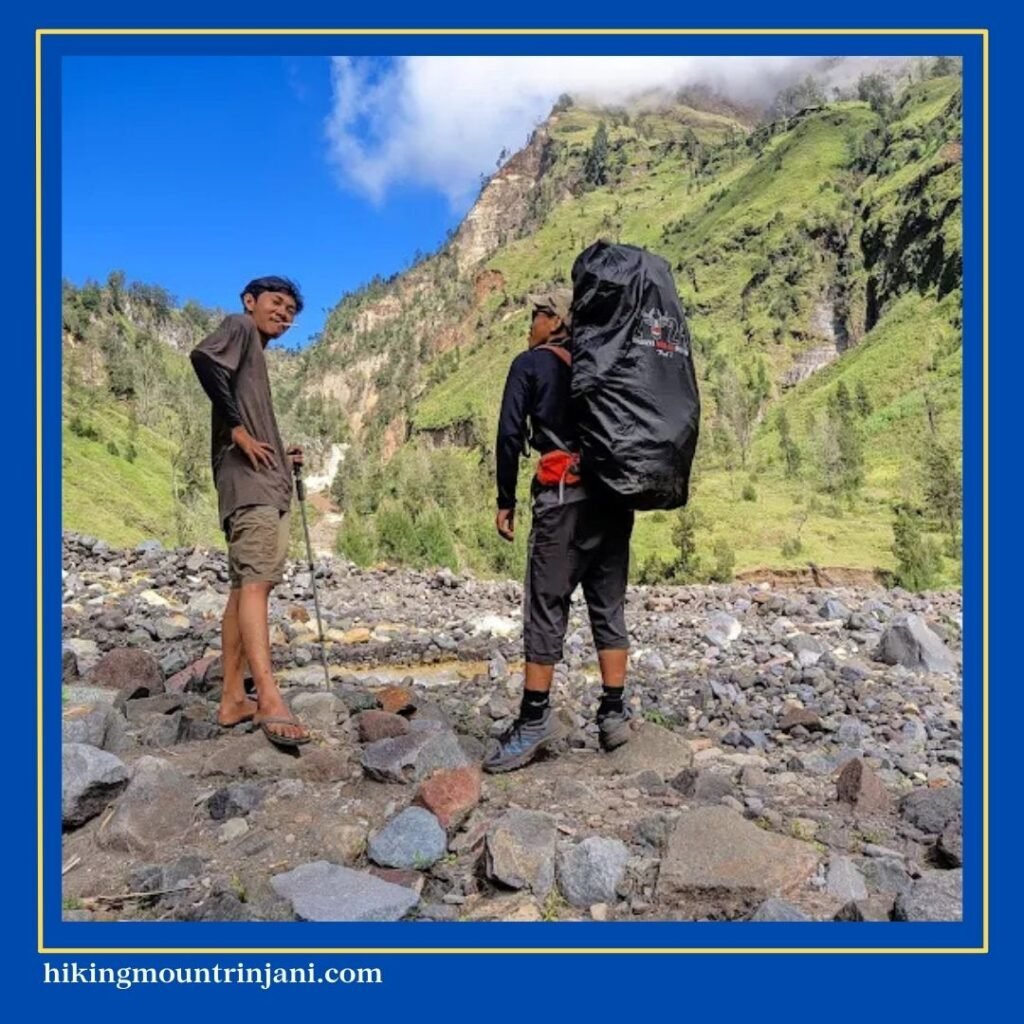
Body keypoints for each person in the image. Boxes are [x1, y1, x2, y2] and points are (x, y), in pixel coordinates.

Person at [485, 289, 634, 773]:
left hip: (563, 498)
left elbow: (510, 434)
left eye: (535, 315)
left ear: (554, 321)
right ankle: (613, 713)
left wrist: (505, 500)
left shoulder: (531, 364)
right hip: (614, 500)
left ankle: (534, 720)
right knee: (608, 604)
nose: (529, 325)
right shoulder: (608, 362)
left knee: (547, 605)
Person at [189, 276, 310, 750]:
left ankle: (232, 699)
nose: (284, 313)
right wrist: (238, 431)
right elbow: (203, 359)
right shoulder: (239, 327)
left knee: (244, 588)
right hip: (251, 486)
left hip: (264, 482)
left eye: (291, 310)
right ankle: (269, 698)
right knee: (257, 584)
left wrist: (282, 453)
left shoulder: (254, 353)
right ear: (249, 301)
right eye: (276, 303)